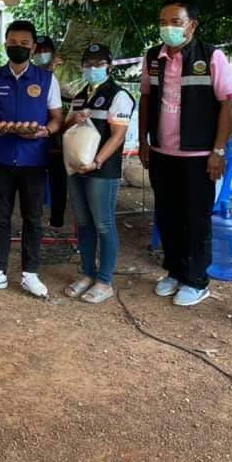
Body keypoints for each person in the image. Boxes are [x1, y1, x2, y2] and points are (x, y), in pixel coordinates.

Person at [139, 0, 232, 307]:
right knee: (168, 216)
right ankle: (175, 271)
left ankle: (196, 280)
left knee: (195, 219)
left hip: (198, 156)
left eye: (175, 22)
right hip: (162, 152)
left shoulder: (211, 56)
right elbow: (146, 98)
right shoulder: (153, 57)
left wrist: (218, 151)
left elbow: (228, 103)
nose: (168, 28)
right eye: (163, 22)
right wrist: (143, 140)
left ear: (191, 25)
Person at [0, 20, 63, 296]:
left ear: (33, 47)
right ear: (5, 45)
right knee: (0, 217)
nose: (18, 47)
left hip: (33, 159)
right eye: (13, 43)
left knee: (33, 218)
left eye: (24, 44)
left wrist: (45, 131)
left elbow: (57, 118)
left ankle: (30, 273)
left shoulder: (46, 80)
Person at [62, 44, 134, 304]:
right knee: (83, 223)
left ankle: (104, 281)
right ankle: (87, 273)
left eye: (98, 64)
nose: (92, 68)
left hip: (102, 171)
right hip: (76, 167)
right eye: (88, 64)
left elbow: (118, 136)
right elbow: (66, 127)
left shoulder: (119, 95)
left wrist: (97, 161)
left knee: (104, 224)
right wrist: (76, 119)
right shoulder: (80, 95)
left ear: (109, 66)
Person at [33, 36, 67, 230]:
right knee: (35, 178)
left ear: (53, 52)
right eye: (37, 51)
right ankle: (34, 219)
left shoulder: (64, 69)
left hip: (57, 133)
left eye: (45, 50)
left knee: (58, 177)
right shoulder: (30, 71)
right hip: (36, 132)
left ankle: (57, 219)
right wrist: (48, 71)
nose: (41, 54)